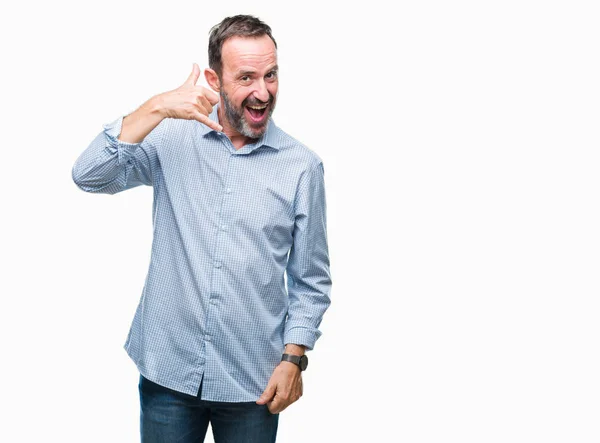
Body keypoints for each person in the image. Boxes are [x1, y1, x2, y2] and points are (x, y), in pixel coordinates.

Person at [71, 14, 332, 443]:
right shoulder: (171, 137)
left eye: (271, 75)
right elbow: (89, 175)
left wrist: (294, 359)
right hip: (167, 373)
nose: (262, 91)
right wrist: (156, 107)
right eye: (246, 77)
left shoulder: (302, 167)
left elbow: (311, 279)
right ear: (215, 78)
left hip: (253, 381)